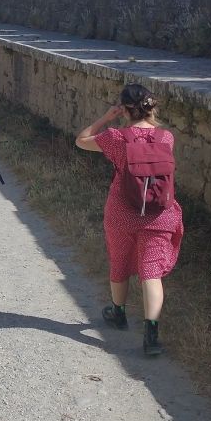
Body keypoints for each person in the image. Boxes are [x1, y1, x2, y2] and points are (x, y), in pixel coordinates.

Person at [75, 85, 183, 357]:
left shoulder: (116, 137)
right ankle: (151, 335)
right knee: (151, 272)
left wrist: (106, 118)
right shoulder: (166, 138)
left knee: (120, 260)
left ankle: (118, 312)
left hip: (122, 211)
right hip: (159, 212)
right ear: (151, 106)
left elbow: (81, 139)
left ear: (123, 109)